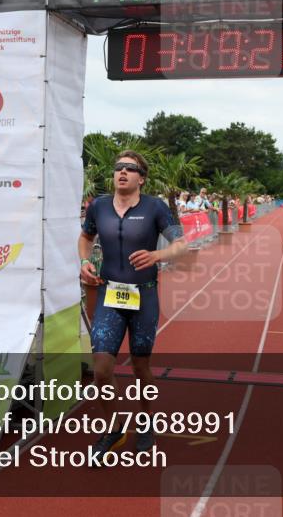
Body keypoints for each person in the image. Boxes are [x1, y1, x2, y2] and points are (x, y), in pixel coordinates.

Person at [78, 150, 187, 460]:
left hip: (144, 296)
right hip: (109, 296)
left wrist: (157, 256)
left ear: (142, 177)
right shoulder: (98, 206)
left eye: (130, 168)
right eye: (118, 167)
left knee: (141, 366)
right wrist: (85, 260)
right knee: (101, 369)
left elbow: (182, 245)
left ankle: (147, 418)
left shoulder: (155, 208)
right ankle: (114, 428)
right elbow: (85, 238)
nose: (122, 172)